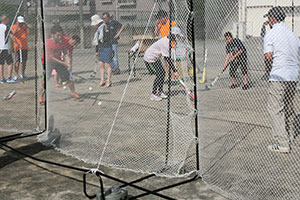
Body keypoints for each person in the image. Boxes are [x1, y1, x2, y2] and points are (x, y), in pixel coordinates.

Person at [263, 6, 300, 153]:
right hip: (293, 75)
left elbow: (268, 57)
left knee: (275, 109)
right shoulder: (293, 35)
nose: (268, 21)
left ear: (272, 19)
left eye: (268, 18)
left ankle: (283, 143)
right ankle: (287, 134)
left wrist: (267, 70)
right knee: (287, 106)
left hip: (279, 75)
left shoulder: (271, 34)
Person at [144, 27, 180, 101]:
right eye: (177, 36)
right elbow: (167, 59)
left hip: (156, 58)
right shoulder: (165, 43)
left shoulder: (168, 41)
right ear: (173, 36)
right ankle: (153, 94)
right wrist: (175, 71)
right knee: (159, 74)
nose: (178, 38)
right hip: (150, 58)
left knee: (163, 73)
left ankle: (160, 91)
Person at [46, 26, 79, 99]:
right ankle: (41, 96)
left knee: (68, 79)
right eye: (58, 35)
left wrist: (67, 60)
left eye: (61, 35)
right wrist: (64, 63)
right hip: (48, 63)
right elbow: (52, 57)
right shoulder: (48, 43)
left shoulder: (61, 42)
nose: (60, 37)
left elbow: (65, 52)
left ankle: (74, 93)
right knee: (44, 80)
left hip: (58, 62)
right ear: (52, 35)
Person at [91, 14, 113, 88]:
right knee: (101, 64)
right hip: (101, 47)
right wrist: (97, 50)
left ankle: (109, 81)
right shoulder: (98, 29)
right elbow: (97, 41)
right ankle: (102, 80)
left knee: (108, 64)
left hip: (107, 47)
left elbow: (108, 38)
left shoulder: (106, 27)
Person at [11, 16, 29, 80]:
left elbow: (28, 33)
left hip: (25, 47)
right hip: (17, 47)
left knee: (24, 61)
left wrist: (26, 26)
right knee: (17, 61)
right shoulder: (14, 27)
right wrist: (17, 25)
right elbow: (13, 33)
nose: (21, 24)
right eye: (20, 22)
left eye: (22, 22)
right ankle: (16, 74)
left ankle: (23, 74)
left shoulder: (24, 27)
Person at [0, 16, 17, 83]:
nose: (8, 20)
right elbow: (12, 35)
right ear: (4, 20)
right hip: (4, 48)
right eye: (7, 19)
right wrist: (18, 44)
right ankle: (9, 77)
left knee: (1, 63)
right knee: (10, 63)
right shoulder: (6, 27)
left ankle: (2, 78)